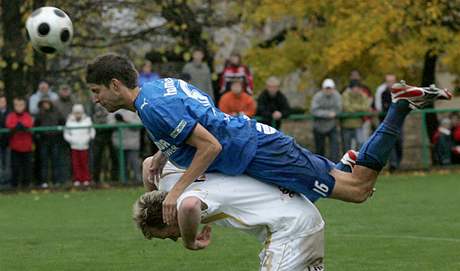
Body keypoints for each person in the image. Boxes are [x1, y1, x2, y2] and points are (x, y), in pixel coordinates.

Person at [86, 53, 452, 226]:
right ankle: (346, 162)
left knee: (356, 189)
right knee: (325, 189)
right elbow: (193, 122)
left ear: (116, 84)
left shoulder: (151, 107)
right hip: (256, 144)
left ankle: (399, 107)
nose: (96, 99)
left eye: (97, 90)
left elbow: (210, 145)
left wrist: (176, 191)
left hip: (259, 153)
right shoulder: (156, 89)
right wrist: (162, 156)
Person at [133, 162, 325, 271]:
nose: (174, 238)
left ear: (168, 218)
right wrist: (152, 195)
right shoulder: (168, 182)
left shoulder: (186, 200)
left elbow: (189, 206)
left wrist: (190, 242)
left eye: (168, 235)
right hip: (297, 215)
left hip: (292, 229)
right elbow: (148, 164)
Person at [34, 98, 66, 188]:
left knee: (55, 160)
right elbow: (36, 126)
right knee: (44, 161)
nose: (46, 105)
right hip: (44, 140)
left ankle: (56, 181)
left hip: (55, 139)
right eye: (44, 103)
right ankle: (44, 181)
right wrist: (39, 136)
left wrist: (59, 133)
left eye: (47, 103)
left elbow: (63, 122)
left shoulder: (56, 112)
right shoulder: (39, 114)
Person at [311, 78, 342, 162]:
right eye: (326, 88)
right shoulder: (317, 96)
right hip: (319, 127)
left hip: (332, 126)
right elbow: (314, 110)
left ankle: (336, 168)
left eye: (330, 88)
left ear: (333, 88)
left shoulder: (337, 96)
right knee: (320, 150)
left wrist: (333, 114)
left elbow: (339, 109)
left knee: (335, 149)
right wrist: (327, 114)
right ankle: (319, 168)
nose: (328, 90)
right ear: (323, 88)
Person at [64, 104, 95, 187]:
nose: (78, 114)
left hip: (85, 146)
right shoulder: (69, 121)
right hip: (74, 146)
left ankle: (86, 179)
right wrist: (72, 141)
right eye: (76, 113)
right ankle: (77, 179)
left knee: (84, 164)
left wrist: (87, 139)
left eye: (79, 112)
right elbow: (66, 134)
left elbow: (92, 131)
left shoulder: (87, 120)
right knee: (75, 164)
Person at [5, 97, 34, 188]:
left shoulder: (27, 116)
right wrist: (18, 126)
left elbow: (28, 124)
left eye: (21, 105)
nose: (19, 107)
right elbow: (9, 124)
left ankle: (26, 185)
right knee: (15, 167)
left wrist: (20, 126)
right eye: (17, 105)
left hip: (27, 147)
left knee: (27, 168)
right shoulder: (11, 116)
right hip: (15, 147)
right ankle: (14, 186)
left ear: (24, 106)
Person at [108, 109, 142, 183]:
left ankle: (138, 181)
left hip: (133, 143)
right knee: (122, 165)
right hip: (118, 143)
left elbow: (139, 124)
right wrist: (117, 120)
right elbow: (109, 124)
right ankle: (123, 182)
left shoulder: (134, 109)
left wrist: (125, 120)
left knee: (134, 163)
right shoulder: (113, 110)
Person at [341, 82, 370, 152]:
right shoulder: (345, 95)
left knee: (361, 144)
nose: (356, 90)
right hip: (346, 124)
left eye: (358, 88)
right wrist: (359, 109)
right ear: (351, 89)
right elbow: (346, 107)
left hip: (359, 124)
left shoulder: (363, 95)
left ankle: (359, 161)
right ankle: (346, 163)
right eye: (354, 88)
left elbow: (366, 107)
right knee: (346, 147)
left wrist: (353, 108)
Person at [0, 94, 10, 185]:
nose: (2, 103)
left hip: (7, 142)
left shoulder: (10, 113)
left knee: (7, 163)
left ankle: (7, 182)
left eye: (3, 101)